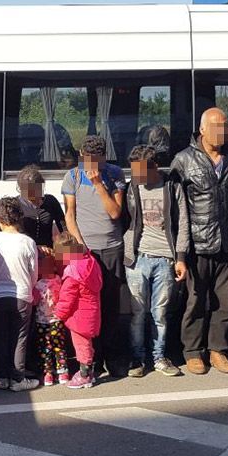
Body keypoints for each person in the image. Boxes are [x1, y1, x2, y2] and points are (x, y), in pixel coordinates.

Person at [170, 107, 228, 375]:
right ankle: (192, 352)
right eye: (215, 127)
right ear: (202, 130)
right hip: (198, 243)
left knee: (224, 302)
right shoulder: (183, 160)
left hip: (227, 240)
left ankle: (218, 350)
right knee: (196, 301)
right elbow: (176, 208)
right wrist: (180, 252)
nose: (222, 132)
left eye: (225, 126)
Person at [62, 135, 127, 377]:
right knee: (88, 307)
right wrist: (80, 247)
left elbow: (115, 213)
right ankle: (93, 358)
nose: (90, 166)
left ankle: (112, 356)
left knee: (110, 306)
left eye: (96, 161)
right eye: (87, 160)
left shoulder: (114, 174)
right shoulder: (72, 176)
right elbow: (70, 215)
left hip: (111, 247)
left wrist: (99, 184)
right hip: (87, 252)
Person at [123, 144, 188, 378]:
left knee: (159, 313)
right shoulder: (132, 187)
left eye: (141, 171)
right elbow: (123, 220)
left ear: (154, 167)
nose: (137, 176)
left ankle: (159, 356)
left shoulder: (172, 186)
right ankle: (137, 358)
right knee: (138, 313)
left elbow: (183, 223)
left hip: (165, 259)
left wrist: (180, 258)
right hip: (137, 258)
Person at [0, 196, 40, 391]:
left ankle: (3, 377)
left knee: (1, 336)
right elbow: (34, 272)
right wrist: (30, 286)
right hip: (22, 294)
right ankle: (18, 378)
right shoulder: (28, 242)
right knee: (20, 338)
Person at [53, 231, 102, 390]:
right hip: (91, 311)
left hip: (78, 315)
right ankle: (88, 372)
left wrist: (58, 313)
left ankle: (84, 376)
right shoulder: (90, 262)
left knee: (82, 347)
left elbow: (67, 298)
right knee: (87, 345)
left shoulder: (73, 272)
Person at [33, 251, 69, 385]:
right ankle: (63, 372)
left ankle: (48, 373)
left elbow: (34, 301)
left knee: (45, 347)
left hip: (42, 321)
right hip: (57, 320)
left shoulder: (37, 285)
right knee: (59, 346)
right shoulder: (59, 281)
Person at [16, 164, 66, 250]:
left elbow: (63, 228)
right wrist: (36, 247)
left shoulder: (51, 201)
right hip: (25, 250)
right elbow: (14, 234)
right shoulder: (16, 205)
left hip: (48, 250)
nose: (31, 196)